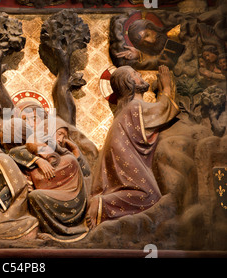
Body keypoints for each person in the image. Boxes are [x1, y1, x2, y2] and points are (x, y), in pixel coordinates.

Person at [86, 65, 180, 229]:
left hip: (124, 152)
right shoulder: (135, 106)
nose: (141, 76)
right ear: (130, 83)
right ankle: (101, 204)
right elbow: (162, 110)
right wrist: (166, 86)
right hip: (125, 154)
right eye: (136, 74)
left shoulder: (129, 109)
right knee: (149, 196)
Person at [21, 135, 88, 242]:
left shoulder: (69, 160)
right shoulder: (34, 172)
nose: (42, 155)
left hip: (73, 204)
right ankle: (50, 233)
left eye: (43, 149)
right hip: (49, 207)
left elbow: (80, 186)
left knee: (35, 195)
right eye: (36, 153)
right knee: (33, 195)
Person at [116, 19, 184, 70]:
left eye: (147, 35)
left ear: (151, 27)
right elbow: (158, 59)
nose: (151, 41)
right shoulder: (154, 52)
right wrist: (139, 55)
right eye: (144, 43)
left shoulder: (177, 32)